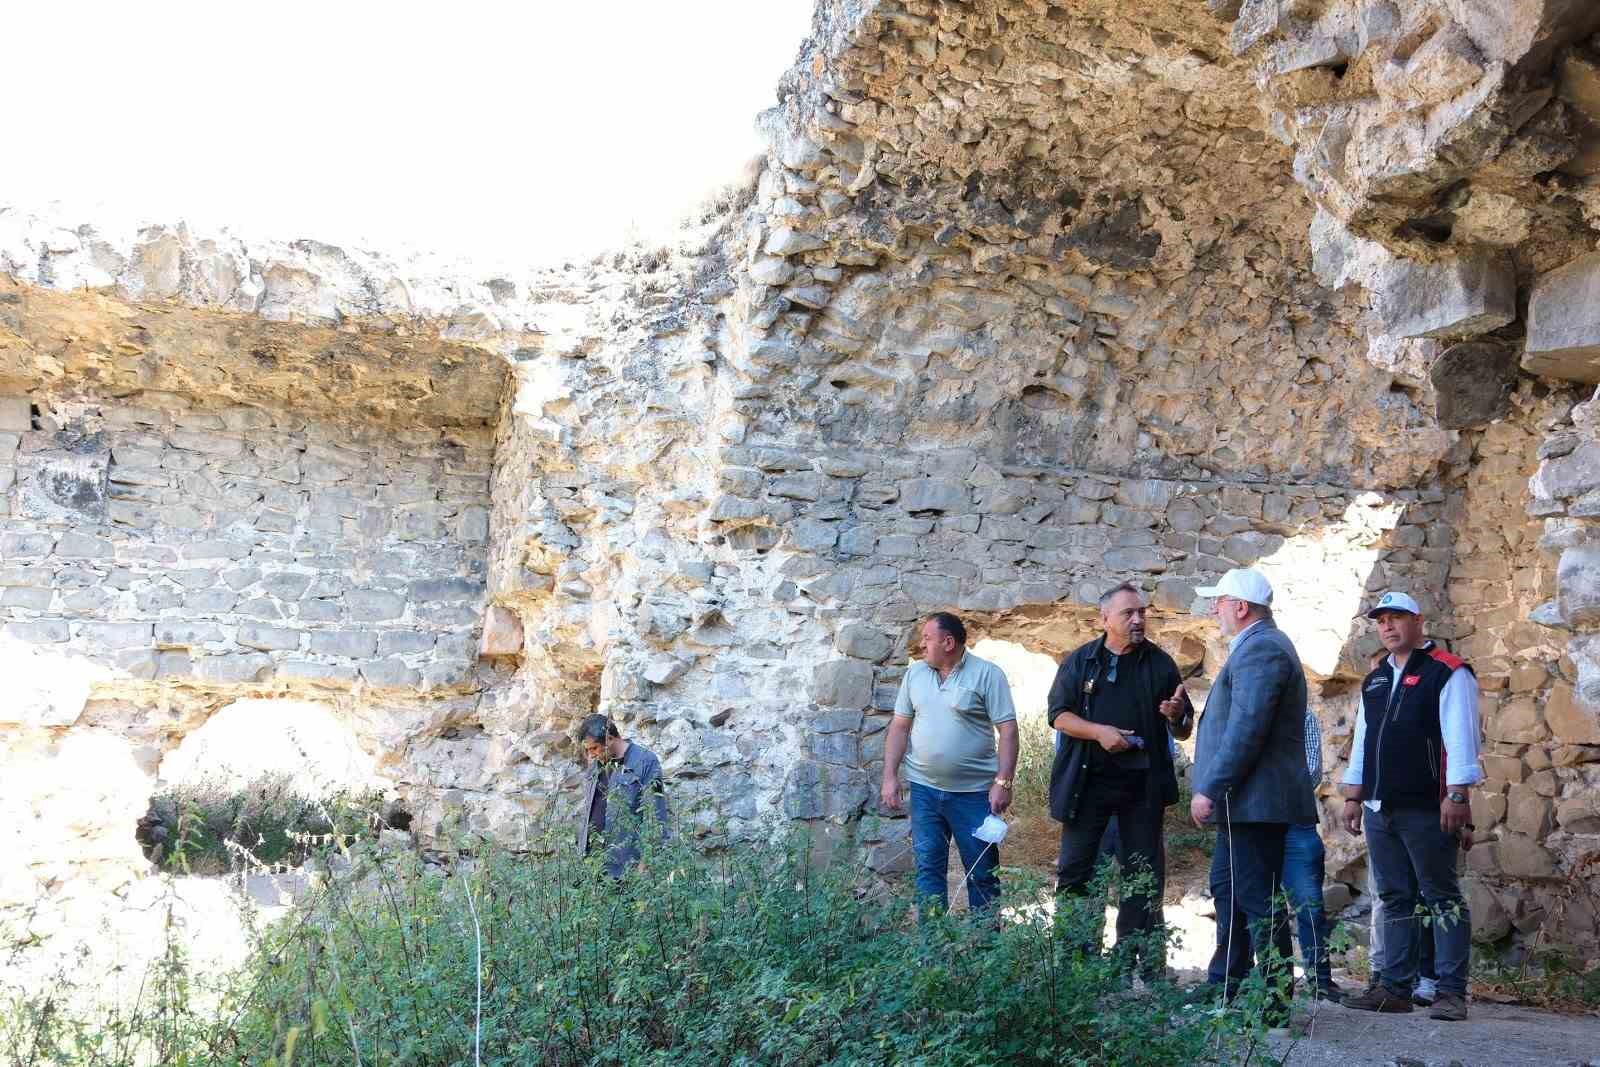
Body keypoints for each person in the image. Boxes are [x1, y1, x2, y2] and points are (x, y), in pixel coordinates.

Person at [1340, 592, 1481, 1022]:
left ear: (1418, 621)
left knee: (1442, 896)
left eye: (1397, 617)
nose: (1387, 626)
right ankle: (1394, 989)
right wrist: (1353, 795)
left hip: (1427, 805)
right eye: (1381, 620)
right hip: (1380, 806)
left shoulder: (1448, 672)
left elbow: (1461, 738)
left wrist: (1457, 795)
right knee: (1396, 896)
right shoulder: (1377, 678)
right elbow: (1364, 740)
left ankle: (1450, 992)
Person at [1189, 568, 1318, 1020]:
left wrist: (1210, 787)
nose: (1214, 609)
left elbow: (1247, 729)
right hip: (1245, 804)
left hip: (1254, 803)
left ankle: (1277, 1005)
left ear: (1240, 607)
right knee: (1231, 891)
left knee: (1257, 900)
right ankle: (1232, 988)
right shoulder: (1256, 645)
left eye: (1219, 601)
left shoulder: (1262, 648)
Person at [1047, 583, 1192, 973]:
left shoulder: (1160, 663)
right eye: (1128, 613)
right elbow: (1059, 715)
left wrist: (1176, 714)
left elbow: (1183, 727)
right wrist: (1099, 732)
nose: (1138, 619)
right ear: (1105, 619)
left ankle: (1131, 966)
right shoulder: (1080, 662)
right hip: (1086, 786)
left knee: (1142, 877)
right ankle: (1077, 964)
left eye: (1142, 612)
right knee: (1077, 872)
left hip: (1142, 790)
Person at [881, 612, 1019, 914]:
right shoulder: (914, 675)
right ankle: (934, 949)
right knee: (928, 871)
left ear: (948, 642)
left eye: (927, 639)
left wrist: (1003, 782)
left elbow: (1008, 731)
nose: (921, 645)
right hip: (924, 792)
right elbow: (900, 727)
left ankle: (987, 948)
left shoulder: (987, 674)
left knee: (982, 873)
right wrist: (890, 776)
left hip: (974, 795)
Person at [1283, 708, 1346, 1002]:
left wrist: (1266, 787)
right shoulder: (1241, 713)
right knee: (1256, 905)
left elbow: (1311, 772)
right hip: (1253, 824)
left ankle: (1320, 981)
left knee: (1310, 906)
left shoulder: (1303, 716)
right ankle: (1266, 982)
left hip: (1295, 820)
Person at [575, 714, 671, 878]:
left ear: (610, 738)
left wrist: (644, 867)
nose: (590, 755)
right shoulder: (596, 767)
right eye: (587, 750)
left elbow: (656, 819)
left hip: (626, 870)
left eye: (594, 748)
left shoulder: (645, 762)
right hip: (592, 867)